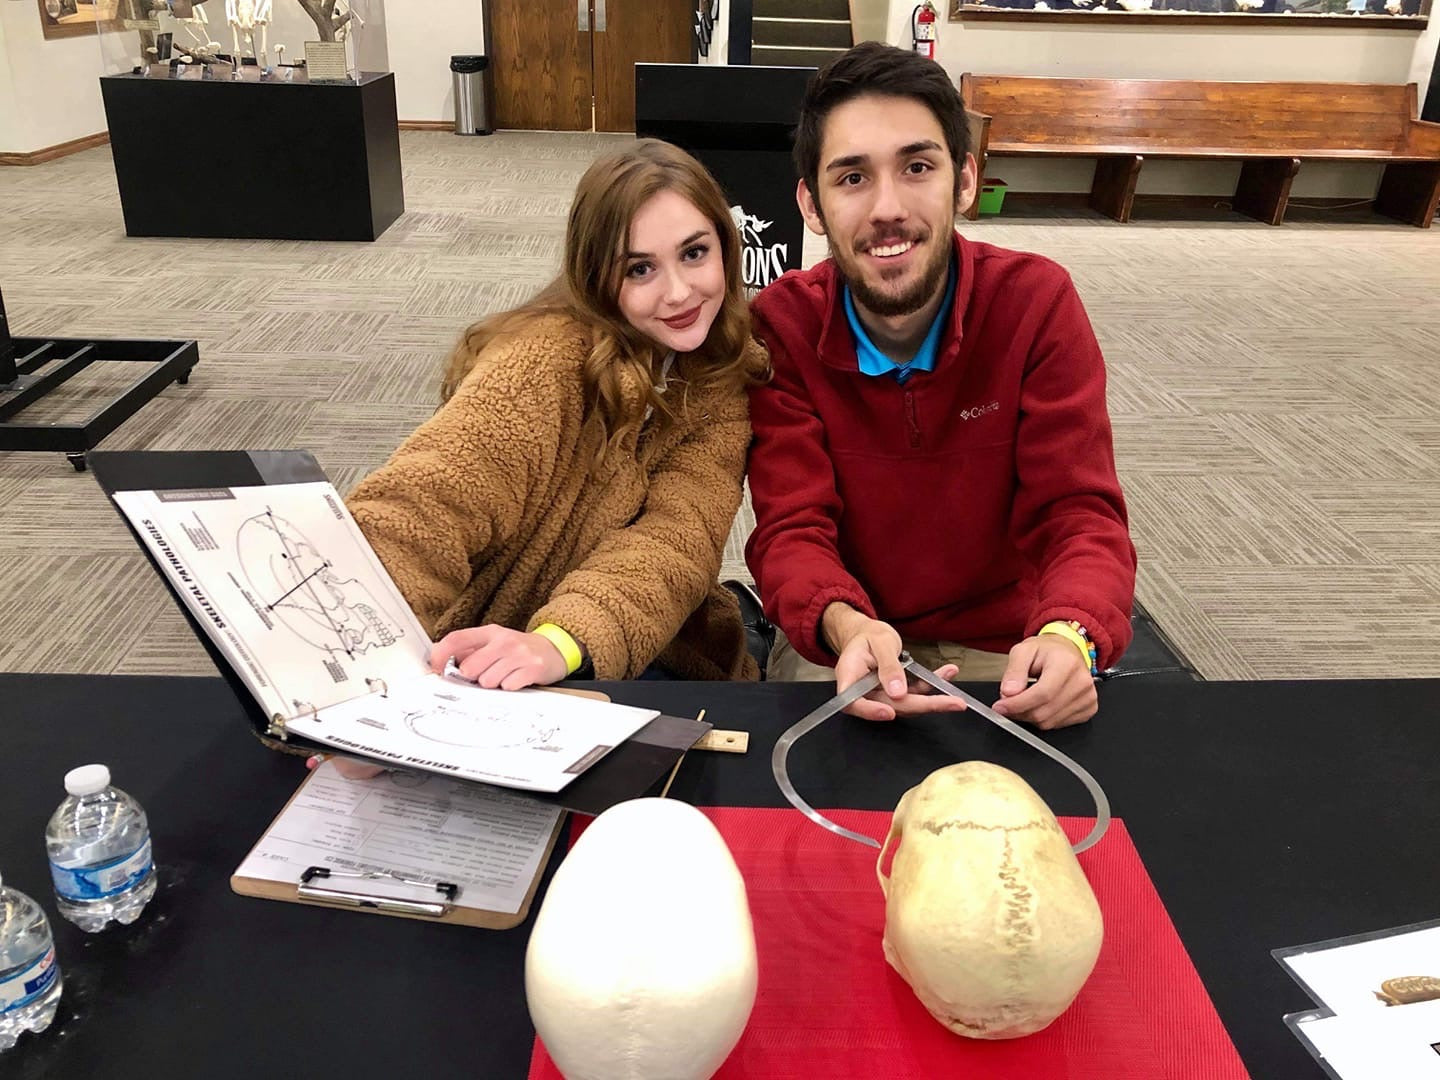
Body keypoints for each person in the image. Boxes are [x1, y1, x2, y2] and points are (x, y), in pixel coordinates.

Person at [744, 43, 1136, 731]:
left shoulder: (1036, 303)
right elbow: (791, 527)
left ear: (964, 181)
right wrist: (842, 621)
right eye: (852, 178)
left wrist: (1070, 634)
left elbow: (1079, 512)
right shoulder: (782, 326)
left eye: (917, 167)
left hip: (1002, 640)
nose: (888, 208)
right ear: (811, 203)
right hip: (843, 629)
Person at [346, 139, 769, 701]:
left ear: (726, 247)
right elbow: (417, 515)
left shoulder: (725, 370)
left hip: (615, 638)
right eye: (641, 268)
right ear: (597, 277)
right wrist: (362, 684)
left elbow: (677, 536)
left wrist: (560, 641)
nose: (679, 292)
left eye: (694, 253)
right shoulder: (539, 362)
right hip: (483, 641)